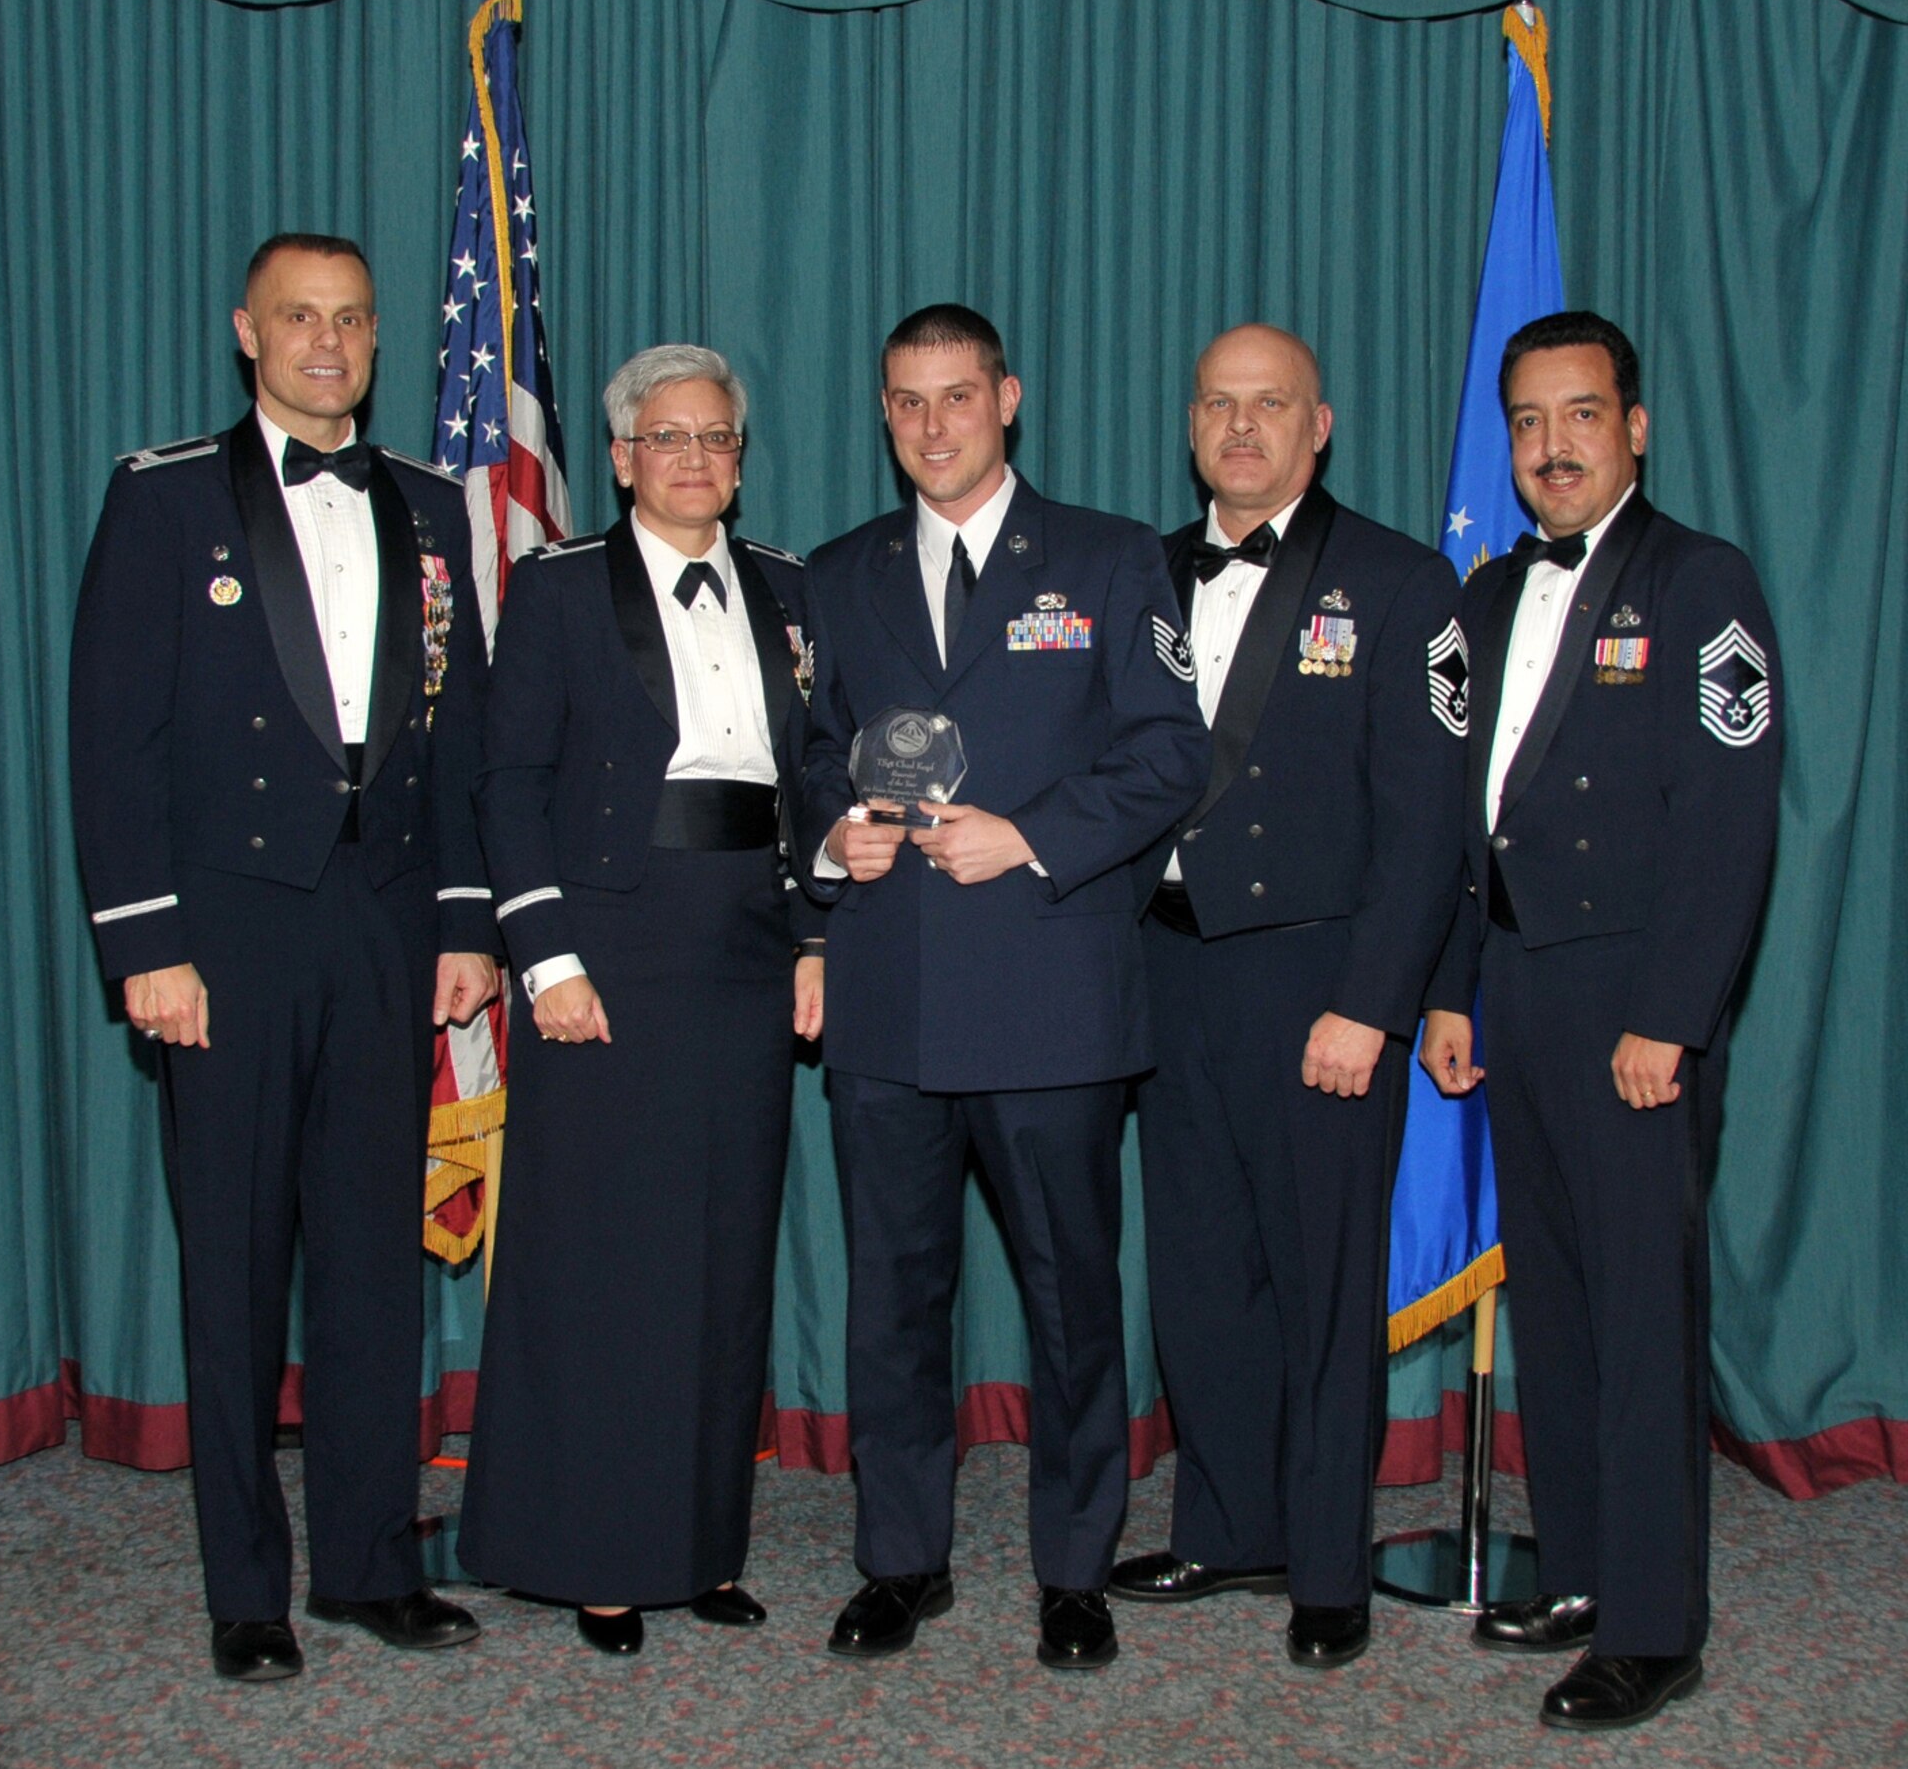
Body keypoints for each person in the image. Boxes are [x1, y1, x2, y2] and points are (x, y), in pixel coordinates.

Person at [69, 233, 497, 1682]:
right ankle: (245, 1587)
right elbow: (113, 736)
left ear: (377, 337)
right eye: (299, 317)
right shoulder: (166, 497)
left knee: (374, 1260)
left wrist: (464, 919)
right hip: (228, 938)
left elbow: (462, 727)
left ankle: (370, 1563)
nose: (329, 342)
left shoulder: (430, 503)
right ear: (247, 333)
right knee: (238, 1266)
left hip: (386, 923)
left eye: (352, 318)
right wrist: (147, 943)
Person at [798, 304, 1208, 1670]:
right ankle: (900, 1559)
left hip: (1049, 996)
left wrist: (1028, 837)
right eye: (907, 401)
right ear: (883, 410)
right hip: (890, 997)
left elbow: (1169, 754)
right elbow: (811, 751)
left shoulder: (1107, 556)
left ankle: (1075, 1569)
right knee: (892, 1298)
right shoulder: (839, 573)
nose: (934, 426)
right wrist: (834, 834)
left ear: (1008, 398)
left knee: (1071, 1298)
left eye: (957, 396)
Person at [1421, 311, 1781, 1730]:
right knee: (1559, 1305)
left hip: (1636, 1005)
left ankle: (1652, 1623)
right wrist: (1451, 986)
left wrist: (1673, 1016)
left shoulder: (1702, 581)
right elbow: (1473, 821)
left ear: (1634, 427)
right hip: (1519, 989)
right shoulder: (1491, 597)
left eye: (1579, 415)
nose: (1551, 445)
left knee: (1640, 1319)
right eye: (1527, 421)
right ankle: (1576, 1570)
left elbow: (1729, 822)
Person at [457, 345, 824, 1658]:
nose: (693, 458)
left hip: (746, 940)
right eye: (666, 437)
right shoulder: (558, 586)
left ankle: (698, 1544)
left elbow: (813, 778)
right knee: (604, 1260)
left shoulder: (787, 584)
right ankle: (599, 1555)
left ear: (740, 454)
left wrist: (815, 932)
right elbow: (507, 780)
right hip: (608, 946)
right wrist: (545, 957)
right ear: (620, 458)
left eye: (715, 435)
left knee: (723, 1253)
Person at [1110, 324, 1466, 1669]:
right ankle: (1227, 1526)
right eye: (1220, 403)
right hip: (1166, 970)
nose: (1243, 426)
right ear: (1191, 423)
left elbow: (1427, 822)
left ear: (1319, 426)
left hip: (1319, 981)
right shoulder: (1139, 573)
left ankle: (1326, 1565)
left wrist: (1372, 1002)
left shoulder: (1400, 580)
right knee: (1201, 1277)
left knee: (1321, 1283)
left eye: (1271, 404)